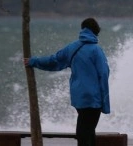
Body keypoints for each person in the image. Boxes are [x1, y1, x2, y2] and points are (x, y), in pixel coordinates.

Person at [24, 18, 110, 146]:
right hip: (93, 97)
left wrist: (33, 61)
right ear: (96, 31)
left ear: (83, 29)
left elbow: (53, 61)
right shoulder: (96, 50)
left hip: (78, 96)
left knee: (86, 128)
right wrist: (105, 101)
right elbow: (103, 74)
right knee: (85, 131)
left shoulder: (72, 47)